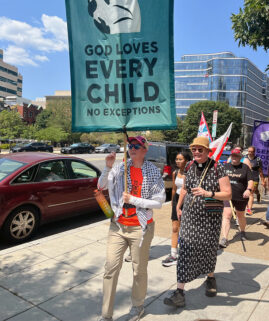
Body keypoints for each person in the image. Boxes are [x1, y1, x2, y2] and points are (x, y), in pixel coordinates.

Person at [97, 135, 165, 321]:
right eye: (129, 145)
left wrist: (134, 200)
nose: (132, 148)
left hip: (140, 229)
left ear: (145, 149)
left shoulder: (152, 170)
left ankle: (138, 306)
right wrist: (108, 167)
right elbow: (101, 185)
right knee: (110, 268)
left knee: (139, 270)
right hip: (118, 227)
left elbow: (159, 201)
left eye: (136, 145)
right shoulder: (120, 167)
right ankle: (106, 315)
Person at [163, 136, 231, 308]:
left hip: (211, 216)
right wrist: (178, 206)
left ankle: (210, 277)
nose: (197, 152)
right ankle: (179, 292)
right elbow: (185, 188)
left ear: (208, 151)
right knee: (185, 249)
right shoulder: (188, 166)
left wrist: (209, 193)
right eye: (194, 149)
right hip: (190, 215)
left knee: (208, 249)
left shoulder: (218, 167)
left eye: (201, 149)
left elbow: (228, 194)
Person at [219, 148, 253, 248]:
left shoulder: (245, 167)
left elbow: (250, 181)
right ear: (231, 156)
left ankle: (242, 232)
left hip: (241, 196)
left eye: (236, 156)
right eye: (233, 156)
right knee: (227, 215)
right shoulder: (225, 166)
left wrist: (248, 190)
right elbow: (219, 179)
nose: (234, 158)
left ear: (240, 157)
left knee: (240, 216)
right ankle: (224, 238)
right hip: (228, 196)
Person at [162, 152, 191, 267]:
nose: (178, 161)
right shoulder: (175, 172)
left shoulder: (190, 174)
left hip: (187, 202)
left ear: (187, 160)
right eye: (177, 159)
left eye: (181, 159)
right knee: (175, 227)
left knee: (186, 228)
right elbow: (174, 188)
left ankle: (187, 254)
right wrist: (173, 203)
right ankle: (173, 254)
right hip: (176, 201)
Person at [245, 146, 265, 215]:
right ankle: (258, 193)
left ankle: (249, 209)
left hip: (254, 178)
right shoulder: (244, 158)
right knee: (253, 191)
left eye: (251, 152)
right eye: (249, 151)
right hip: (245, 178)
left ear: (254, 152)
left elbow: (260, 171)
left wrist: (262, 180)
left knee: (251, 193)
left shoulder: (258, 160)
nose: (250, 153)